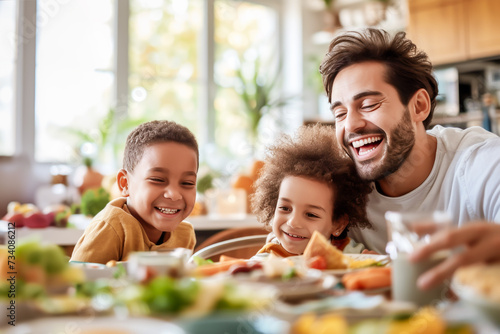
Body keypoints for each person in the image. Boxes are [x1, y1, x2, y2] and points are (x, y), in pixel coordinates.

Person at [319, 28, 500, 290]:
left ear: (419, 106)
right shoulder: (340, 189)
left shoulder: (479, 161)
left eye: (368, 104)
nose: (352, 125)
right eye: (340, 113)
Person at [71, 120, 198, 264]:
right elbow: (77, 282)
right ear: (125, 183)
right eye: (157, 180)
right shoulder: (110, 228)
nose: (174, 194)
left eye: (187, 183)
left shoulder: (185, 234)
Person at [251, 124, 372, 257]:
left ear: (338, 224)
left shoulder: (351, 254)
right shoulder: (269, 256)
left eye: (311, 215)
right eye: (285, 208)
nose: (293, 222)